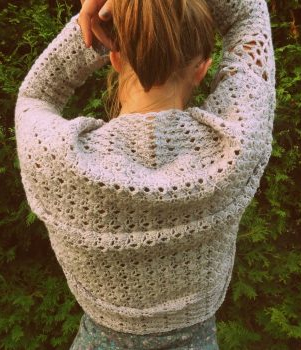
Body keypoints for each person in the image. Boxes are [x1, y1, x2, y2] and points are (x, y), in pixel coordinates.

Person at [14, 0, 275, 348]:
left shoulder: (60, 159)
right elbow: (249, 15)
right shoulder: (234, 148)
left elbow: (35, 96)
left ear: (116, 59)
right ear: (201, 70)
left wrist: (92, 24)